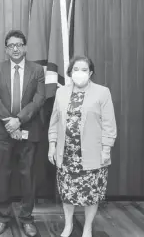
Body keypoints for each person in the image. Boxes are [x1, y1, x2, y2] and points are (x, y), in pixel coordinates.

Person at [48, 55, 117, 237]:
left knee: (91, 194)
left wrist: (106, 148)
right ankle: (68, 225)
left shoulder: (102, 92)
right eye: (76, 70)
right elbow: (54, 121)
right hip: (67, 154)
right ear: (70, 73)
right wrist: (52, 145)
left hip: (92, 154)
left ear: (91, 72)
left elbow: (109, 125)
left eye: (84, 70)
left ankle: (87, 227)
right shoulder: (61, 92)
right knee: (67, 192)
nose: (80, 73)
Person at [0, 30, 45, 236]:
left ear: (25, 47)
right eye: (11, 45)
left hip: (29, 130)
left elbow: (39, 99)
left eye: (19, 44)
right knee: (3, 175)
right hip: (3, 132)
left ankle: (27, 219)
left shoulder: (37, 70)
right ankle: (2, 218)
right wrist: (10, 124)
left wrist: (19, 120)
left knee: (27, 176)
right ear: (6, 49)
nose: (15, 48)